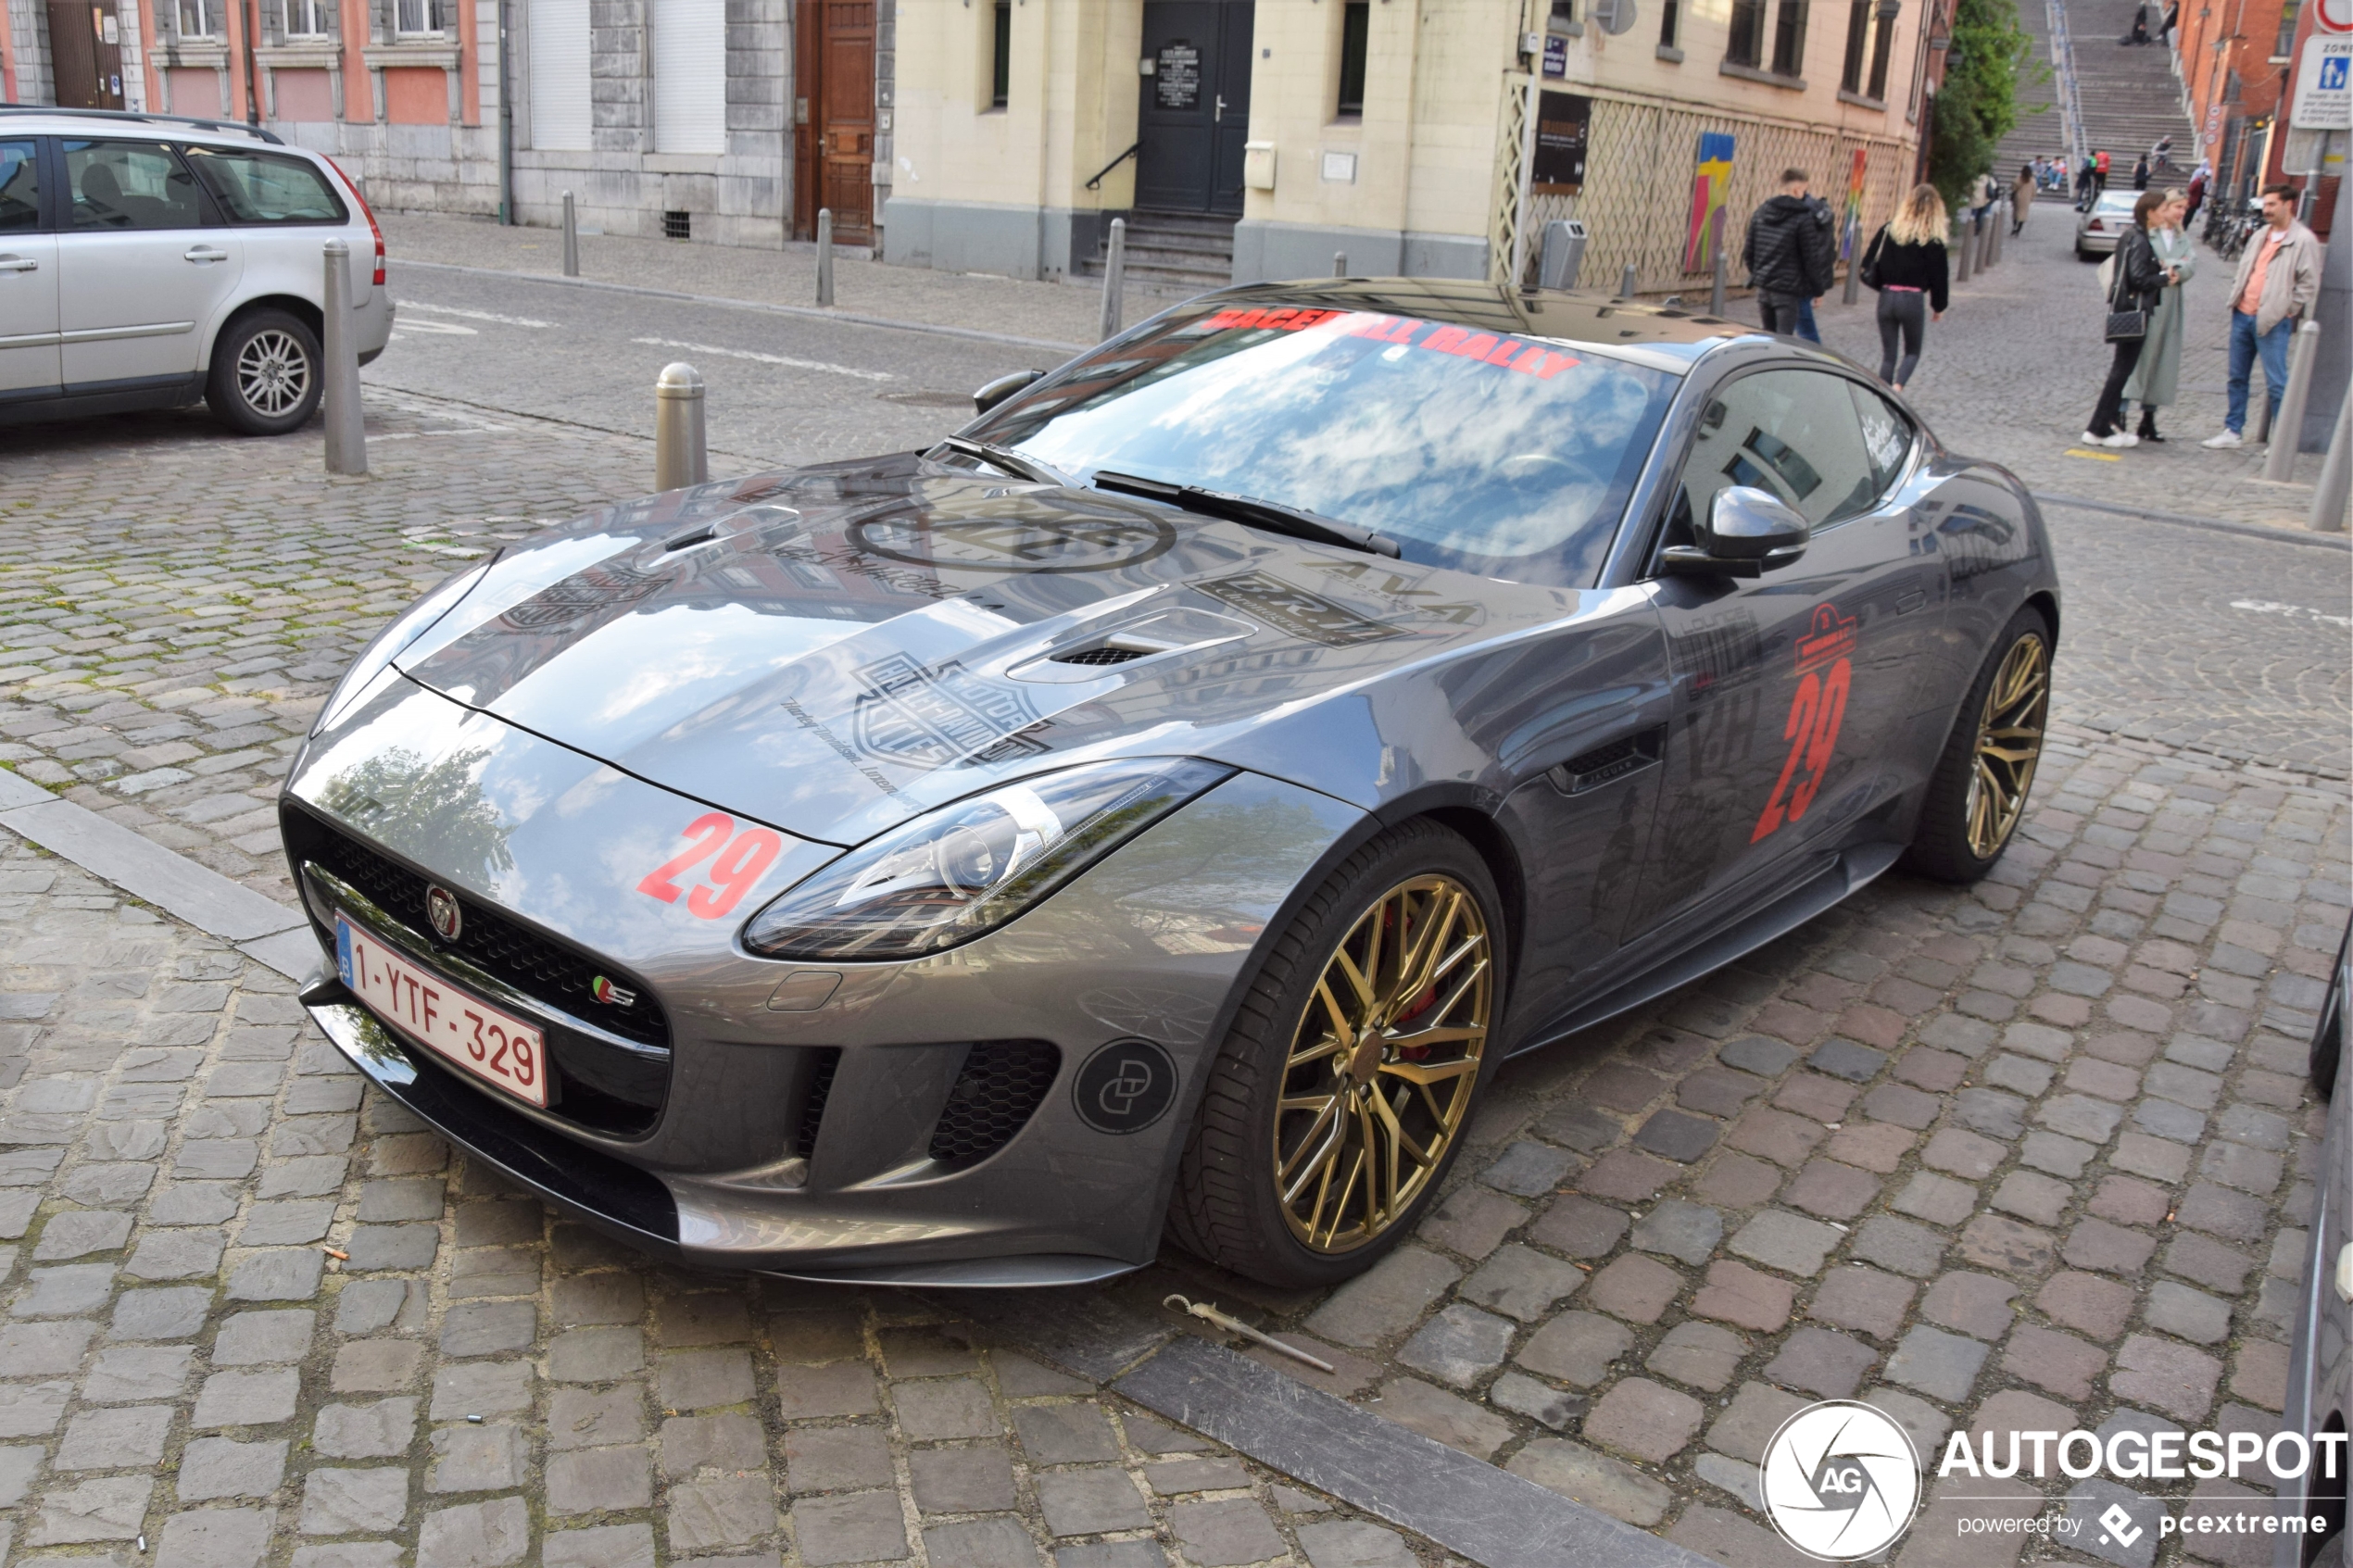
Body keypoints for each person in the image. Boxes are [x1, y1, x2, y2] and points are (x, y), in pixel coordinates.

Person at [2202, 182, 2324, 447]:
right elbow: (2247, 269)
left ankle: (2282, 441)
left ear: (2288, 205)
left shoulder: (2303, 240)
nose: (2266, 210)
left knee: (2277, 382)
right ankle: (2233, 431)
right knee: (2237, 377)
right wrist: (2237, 296)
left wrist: (2287, 309)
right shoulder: (2261, 235)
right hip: (2242, 314)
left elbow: (2309, 283)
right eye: (2265, 204)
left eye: (2272, 204)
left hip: (2273, 320)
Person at [2083, 190, 2172, 446]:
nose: (2167, 214)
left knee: (2120, 370)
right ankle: (2099, 428)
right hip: (2134, 311)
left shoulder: (2131, 236)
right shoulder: (2141, 240)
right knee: (2121, 371)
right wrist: (2165, 278)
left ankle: (2106, 425)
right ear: (2150, 212)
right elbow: (2138, 278)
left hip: (2126, 308)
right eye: (2164, 209)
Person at [1861, 183, 1950, 392]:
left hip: (1886, 296)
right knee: (1912, 352)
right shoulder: (1934, 241)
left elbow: (1867, 261)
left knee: (1888, 355)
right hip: (1912, 300)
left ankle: (1883, 393)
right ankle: (1898, 388)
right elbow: (1940, 278)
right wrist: (1939, 307)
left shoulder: (1889, 230)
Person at [2121, 188, 2195, 441]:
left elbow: (2191, 264)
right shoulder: (2148, 235)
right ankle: (2120, 412)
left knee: (2162, 360)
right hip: (2149, 302)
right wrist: (2172, 265)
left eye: (2185, 208)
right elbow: (2145, 264)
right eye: (2178, 207)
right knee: (2139, 357)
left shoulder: (2181, 238)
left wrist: (2172, 266)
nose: (2182, 212)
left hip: (2171, 305)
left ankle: (2148, 417)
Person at [1743, 168, 1838, 335]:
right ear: (1796, 190)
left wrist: (1759, 275)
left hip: (1764, 289)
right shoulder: (1802, 218)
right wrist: (1818, 291)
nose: (1804, 195)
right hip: (1788, 291)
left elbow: (1749, 252)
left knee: (1768, 337)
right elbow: (1810, 259)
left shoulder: (1761, 212)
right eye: (1804, 190)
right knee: (1783, 340)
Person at [2012, 163, 2037, 234]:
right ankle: (2019, 229)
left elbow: (2014, 187)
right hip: (2027, 198)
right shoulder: (2033, 180)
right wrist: (2032, 197)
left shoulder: (2019, 178)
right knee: (2023, 214)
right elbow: (2034, 190)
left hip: (2018, 197)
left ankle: (2014, 226)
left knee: (2016, 213)